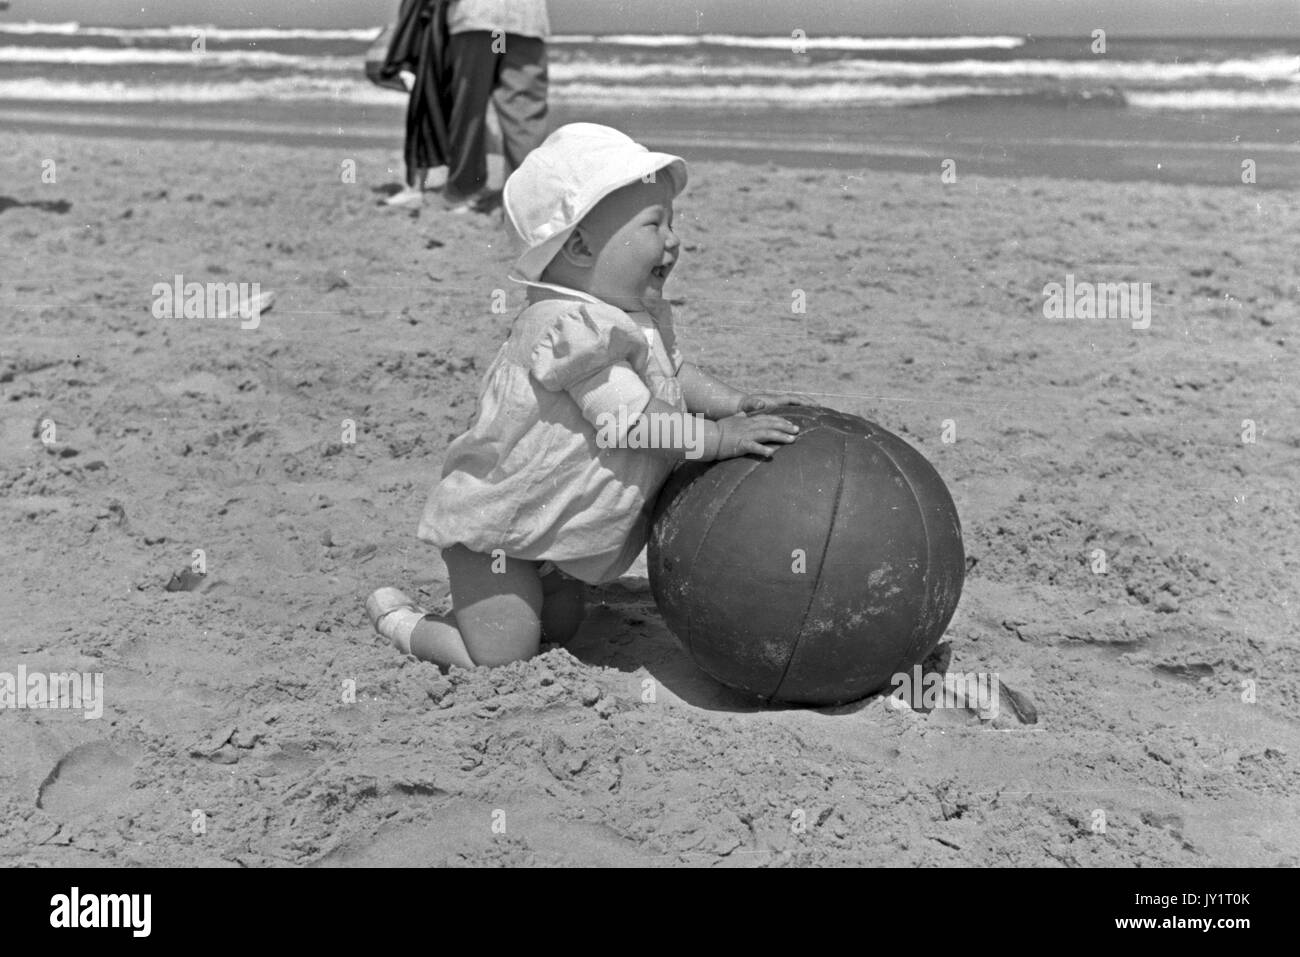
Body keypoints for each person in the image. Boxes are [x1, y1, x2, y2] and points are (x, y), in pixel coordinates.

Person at [365, 123, 814, 669]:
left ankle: (528, 590)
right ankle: (406, 626)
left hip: (556, 538)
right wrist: (718, 438)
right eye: (654, 224)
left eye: (673, 223)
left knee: (562, 627)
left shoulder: (629, 318)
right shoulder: (569, 328)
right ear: (579, 244)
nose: (673, 241)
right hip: (501, 536)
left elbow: (673, 375)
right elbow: (631, 422)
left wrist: (730, 403)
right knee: (503, 654)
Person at [440, 0, 551, 214]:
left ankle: (464, 188)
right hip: (526, 19)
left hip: (478, 16)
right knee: (524, 112)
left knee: (468, 107)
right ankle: (524, 199)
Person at [379, 0, 454, 209]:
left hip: (431, 53)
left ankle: (416, 189)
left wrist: (404, 62)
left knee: (423, 120)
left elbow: (415, 19)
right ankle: (431, 188)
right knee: (441, 120)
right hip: (442, 50)